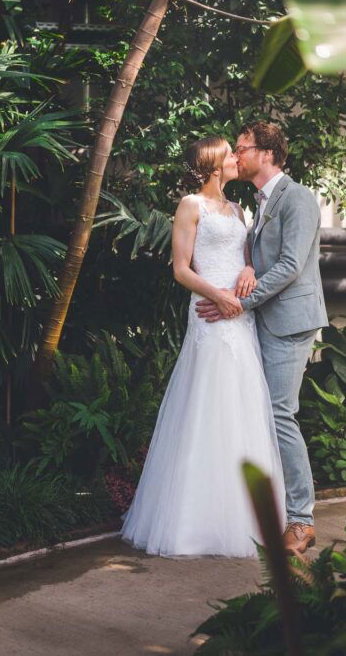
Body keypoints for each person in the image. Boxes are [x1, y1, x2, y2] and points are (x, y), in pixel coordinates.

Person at [120, 135, 286, 557]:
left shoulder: (238, 209)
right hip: (211, 316)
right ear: (214, 164)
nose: (237, 158)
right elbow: (180, 269)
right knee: (205, 408)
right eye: (231, 153)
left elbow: (247, 254)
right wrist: (218, 296)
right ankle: (193, 523)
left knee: (242, 408)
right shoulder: (190, 205)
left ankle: (243, 517)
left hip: (239, 316)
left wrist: (248, 270)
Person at [195, 121, 328, 558]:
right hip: (262, 322)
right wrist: (248, 267)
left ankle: (302, 521)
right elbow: (256, 256)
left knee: (278, 414)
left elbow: (291, 264)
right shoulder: (256, 202)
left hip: (289, 322)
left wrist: (238, 304)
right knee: (262, 413)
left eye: (243, 147)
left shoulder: (299, 198)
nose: (237, 154)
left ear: (267, 153)